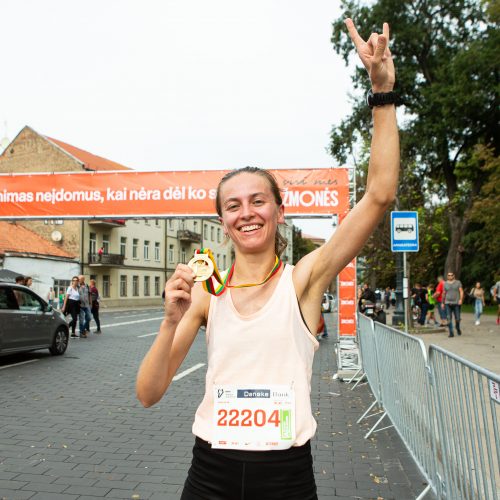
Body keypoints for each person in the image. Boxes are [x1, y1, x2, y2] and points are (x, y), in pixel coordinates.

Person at [136, 17, 399, 500]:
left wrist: (382, 94)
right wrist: (169, 322)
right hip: (209, 474)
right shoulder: (205, 295)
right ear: (223, 221)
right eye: (232, 206)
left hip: (285, 478)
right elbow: (149, 394)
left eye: (258, 201)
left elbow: (380, 194)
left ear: (280, 211)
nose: (247, 213)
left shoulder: (304, 279)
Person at [442, 271, 463, 337]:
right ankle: (451, 332)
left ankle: (457, 327)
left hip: (456, 303)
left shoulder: (458, 282)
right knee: (449, 318)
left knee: (458, 318)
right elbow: (444, 293)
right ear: (447, 276)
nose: (450, 276)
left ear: (454, 276)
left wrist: (460, 299)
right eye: (449, 275)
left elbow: (461, 291)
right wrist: (442, 303)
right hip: (447, 303)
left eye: (451, 275)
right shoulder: (445, 283)